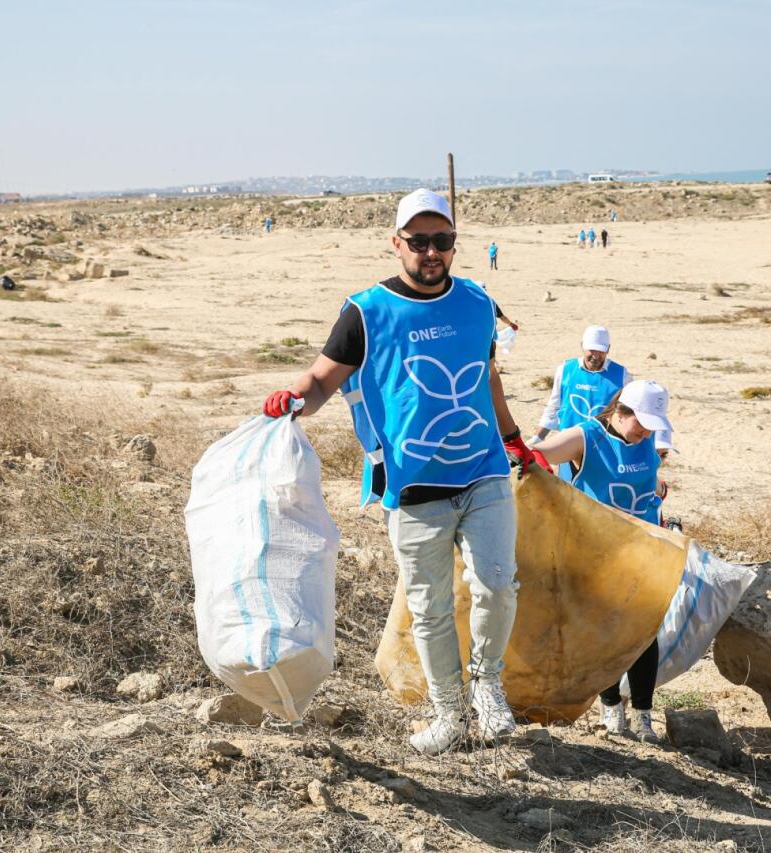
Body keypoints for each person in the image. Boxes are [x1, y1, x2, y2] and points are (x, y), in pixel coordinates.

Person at [261, 188, 550, 755]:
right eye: (418, 242)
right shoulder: (366, 311)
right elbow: (322, 378)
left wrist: (515, 440)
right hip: (414, 485)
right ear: (396, 244)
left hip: (485, 472)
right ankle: (449, 714)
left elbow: (487, 379)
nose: (431, 252)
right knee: (431, 607)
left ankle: (487, 683)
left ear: (453, 244)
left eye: (441, 241)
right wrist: (293, 397)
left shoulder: (476, 301)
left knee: (497, 584)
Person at [532, 380, 674, 742]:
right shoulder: (588, 437)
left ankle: (643, 715)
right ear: (620, 411)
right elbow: (541, 453)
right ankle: (611, 708)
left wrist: (659, 494)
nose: (645, 432)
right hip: (594, 553)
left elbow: (647, 482)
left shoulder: (646, 442)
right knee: (605, 632)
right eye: (640, 422)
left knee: (644, 633)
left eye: (651, 425)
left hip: (641, 549)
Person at [534, 326, 631, 479]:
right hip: (568, 445)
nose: (596, 356)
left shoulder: (622, 375)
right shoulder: (565, 370)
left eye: (601, 351)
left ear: (608, 349)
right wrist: (538, 438)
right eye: (591, 350)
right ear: (582, 346)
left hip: (604, 448)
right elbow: (554, 407)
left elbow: (627, 415)